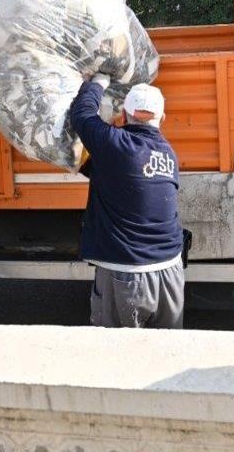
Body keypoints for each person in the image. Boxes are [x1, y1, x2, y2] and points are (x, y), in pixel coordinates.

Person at [69, 74, 185, 328]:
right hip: (171, 271)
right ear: (162, 119)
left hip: (128, 275)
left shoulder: (115, 143)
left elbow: (81, 114)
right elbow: (120, 178)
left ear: (123, 116)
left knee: (119, 349)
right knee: (167, 348)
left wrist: (98, 82)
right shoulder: (168, 155)